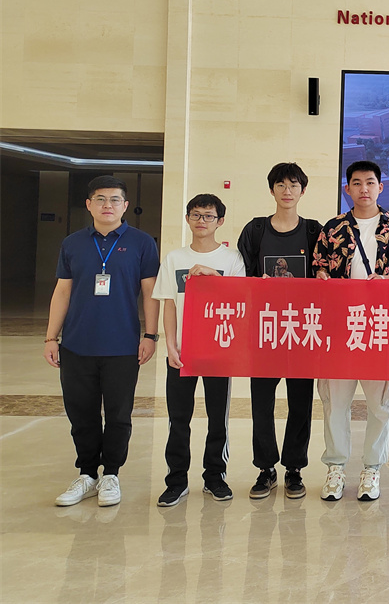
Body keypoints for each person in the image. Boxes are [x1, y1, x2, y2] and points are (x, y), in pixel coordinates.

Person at [44, 176, 160, 507]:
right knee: (81, 413)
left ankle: (111, 474)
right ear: (89, 205)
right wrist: (51, 337)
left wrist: (150, 335)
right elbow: (62, 291)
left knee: (119, 414)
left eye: (115, 199)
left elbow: (150, 293)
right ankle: (86, 474)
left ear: (125, 206)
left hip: (122, 346)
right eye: (100, 199)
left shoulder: (141, 243)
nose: (107, 205)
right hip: (76, 344)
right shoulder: (73, 243)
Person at [313, 160, 389, 501]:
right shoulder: (333, 228)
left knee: (380, 403)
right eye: (357, 183)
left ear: (380, 187)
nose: (364, 189)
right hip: (339, 328)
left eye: (370, 182)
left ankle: (372, 470)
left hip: (381, 326)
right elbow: (318, 268)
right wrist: (323, 278)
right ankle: (335, 468)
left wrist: (387, 281)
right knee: (335, 402)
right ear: (347, 189)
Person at [153, 194, 246, 507]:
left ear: (220, 221)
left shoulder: (232, 259)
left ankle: (215, 477)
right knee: (178, 418)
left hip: (218, 349)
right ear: (187, 219)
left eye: (208, 216)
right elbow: (168, 304)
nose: (201, 221)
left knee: (217, 418)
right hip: (182, 352)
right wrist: (170, 344)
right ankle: (176, 480)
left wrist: (214, 277)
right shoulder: (174, 259)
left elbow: (240, 299)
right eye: (196, 215)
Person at [237, 162, 323, 500]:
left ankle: (294, 468)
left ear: (303, 190)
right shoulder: (255, 230)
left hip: (304, 331)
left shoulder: (314, 231)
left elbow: (326, 276)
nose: (287, 191)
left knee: (300, 404)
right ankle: (265, 468)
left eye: (294, 185)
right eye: (281, 185)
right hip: (265, 330)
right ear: (271, 189)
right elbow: (240, 276)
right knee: (262, 404)